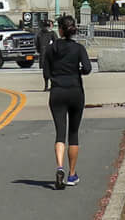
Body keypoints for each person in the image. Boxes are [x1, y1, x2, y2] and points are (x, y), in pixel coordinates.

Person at [44, 15, 91, 190]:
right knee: (73, 133)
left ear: (60, 29)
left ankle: (59, 167)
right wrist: (76, 69)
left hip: (57, 92)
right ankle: (72, 174)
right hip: (75, 91)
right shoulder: (78, 49)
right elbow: (87, 69)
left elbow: (46, 72)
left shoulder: (51, 50)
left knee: (59, 133)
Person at [35, 19, 56, 92]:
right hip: (48, 55)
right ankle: (48, 85)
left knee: (47, 71)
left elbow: (37, 44)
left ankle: (48, 85)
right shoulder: (50, 33)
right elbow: (56, 43)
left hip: (45, 54)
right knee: (49, 71)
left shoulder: (41, 34)